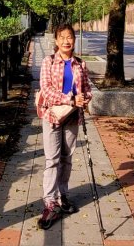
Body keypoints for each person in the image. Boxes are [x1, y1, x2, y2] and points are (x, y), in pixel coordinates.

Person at [37, 23, 92, 230]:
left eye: (70, 37)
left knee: (67, 159)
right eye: (63, 37)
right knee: (52, 160)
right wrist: (70, 99)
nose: (67, 41)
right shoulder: (48, 62)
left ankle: (62, 195)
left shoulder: (80, 64)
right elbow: (46, 90)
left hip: (72, 117)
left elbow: (87, 89)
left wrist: (84, 99)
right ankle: (49, 202)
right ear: (56, 41)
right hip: (52, 116)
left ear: (74, 40)